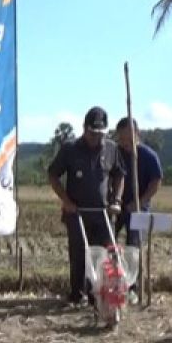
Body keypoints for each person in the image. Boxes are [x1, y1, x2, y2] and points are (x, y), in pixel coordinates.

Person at [48, 106, 125, 306]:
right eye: (92, 133)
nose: (96, 138)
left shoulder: (111, 149)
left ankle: (98, 294)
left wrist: (116, 200)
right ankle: (77, 294)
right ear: (84, 128)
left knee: (103, 254)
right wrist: (66, 201)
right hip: (77, 212)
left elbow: (119, 175)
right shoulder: (70, 149)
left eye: (100, 134)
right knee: (79, 253)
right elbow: (53, 175)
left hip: (103, 213)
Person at [115, 117, 163, 304]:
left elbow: (156, 182)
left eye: (128, 139)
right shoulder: (116, 153)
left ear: (137, 134)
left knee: (133, 247)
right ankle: (109, 283)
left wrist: (140, 202)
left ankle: (132, 288)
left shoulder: (148, 156)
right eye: (121, 140)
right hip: (117, 206)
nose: (125, 144)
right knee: (107, 241)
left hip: (138, 208)